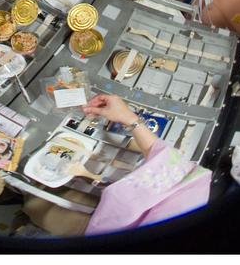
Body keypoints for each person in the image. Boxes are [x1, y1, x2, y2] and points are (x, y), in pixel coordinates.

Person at [78, 93, 211, 234]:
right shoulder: (193, 198)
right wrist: (128, 118)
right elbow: (168, 165)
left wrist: (128, 118)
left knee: (56, 210)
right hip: (107, 218)